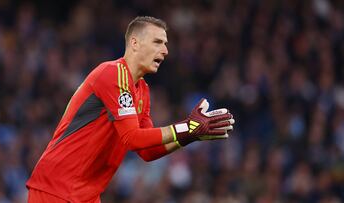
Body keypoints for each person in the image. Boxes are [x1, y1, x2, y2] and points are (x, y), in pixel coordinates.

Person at [26, 16, 235, 203]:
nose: (165, 50)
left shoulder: (142, 90)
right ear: (134, 43)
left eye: (165, 44)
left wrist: (191, 134)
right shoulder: (112, 73)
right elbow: (132, 138)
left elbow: (146, 151)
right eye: (157, 42)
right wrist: (186, 127)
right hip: (56, 187)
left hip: (85, 195)